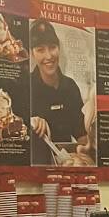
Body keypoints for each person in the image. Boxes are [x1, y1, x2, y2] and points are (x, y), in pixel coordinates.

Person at [29, 19, 92, 164]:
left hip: (64, 163)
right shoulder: (26, 86)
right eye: (40, 50)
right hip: (36, 166)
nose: (48, 56)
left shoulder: (70, 87)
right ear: (32, 54)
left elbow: (80, 133)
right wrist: (30, 121)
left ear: (59, 48)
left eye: (52, 47)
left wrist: (87, 152)